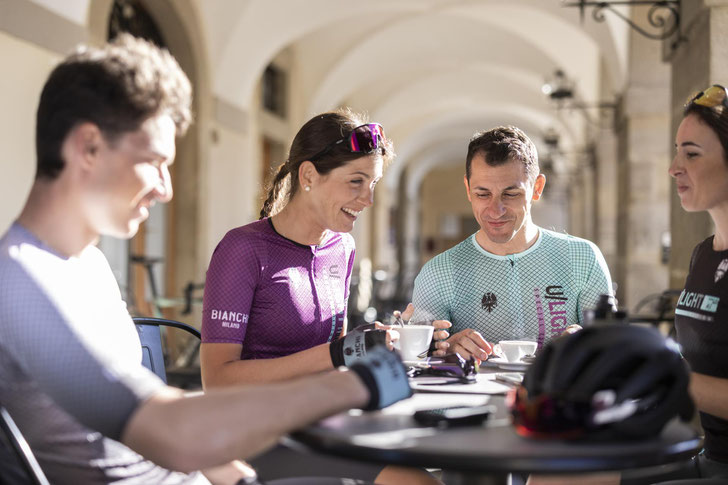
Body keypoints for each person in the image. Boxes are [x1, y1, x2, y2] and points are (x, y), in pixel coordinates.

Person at [0, 34, 412, 485]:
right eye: (154, 160)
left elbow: (147, 417)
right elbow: (170, 430)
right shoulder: (21, 281)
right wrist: (358, 381)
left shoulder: (88, 265)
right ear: (89, 146)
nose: (166, 188)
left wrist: (229, 474)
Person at [200, 110, 444, 485]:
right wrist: (335, 353)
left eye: (374, 182)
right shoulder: (242, 249)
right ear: (309, 176)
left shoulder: (342, 247)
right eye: (356, 182)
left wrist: (368, 343)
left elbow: (334, 355)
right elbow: (217, 381)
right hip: (255, 436)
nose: (368, 199)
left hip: (324, 422)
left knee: (429, 462)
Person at [411, 125, 614, 362]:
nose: (495, 210)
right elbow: (416, 358)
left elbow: (610, 347)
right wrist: (444, 349)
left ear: (537, 188)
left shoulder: (582, 257)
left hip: (558, 395)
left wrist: (586, 339)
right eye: (482, 194)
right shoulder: (438, 272)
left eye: (511, 194)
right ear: (468, 189)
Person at [669, 83, 728, 479]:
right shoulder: (703, 253)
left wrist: (663, 374)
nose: (674, 167)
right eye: (676, 152)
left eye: (691, 154)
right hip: (709, 458)